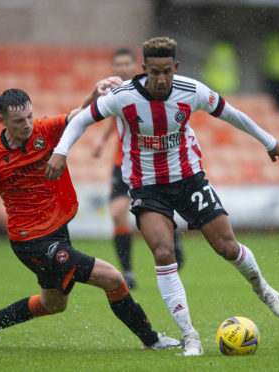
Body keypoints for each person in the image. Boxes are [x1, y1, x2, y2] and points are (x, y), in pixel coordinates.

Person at [46, 37, 279, 357]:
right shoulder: (123, 97)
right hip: (146, 186)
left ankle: (262, 288)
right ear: (144, 68)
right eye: (155, 72)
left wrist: (269, 141)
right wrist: (61, 152)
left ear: (175, 68)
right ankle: (190, 337)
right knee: (163, 254)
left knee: (227, 247)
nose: (161, 79)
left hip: (189, 179)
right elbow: (81, 119)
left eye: (167, 72)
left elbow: (232, 114)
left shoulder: (193, 91)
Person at [0, 84, 182, 351]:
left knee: (52, 304)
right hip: (31, 241)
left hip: (57, 230)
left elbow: (78, 116)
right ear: (1, 121)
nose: (27, 124)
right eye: (19, 121)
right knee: (112, 278)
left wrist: (92, 94)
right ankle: (152, 340)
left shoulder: (44, 129)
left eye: (30, 116)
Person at [93, 48, 185, 289]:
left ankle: (173, 238)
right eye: (119, 64)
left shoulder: (149, 88)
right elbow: (114, 118)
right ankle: (128, 271)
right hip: (120, 164)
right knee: (117, 214)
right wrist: (102, 141)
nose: (123, 67)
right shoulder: (114, 90)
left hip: (146, 164)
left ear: (136, 65)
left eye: (127, 63)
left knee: (160, 208)